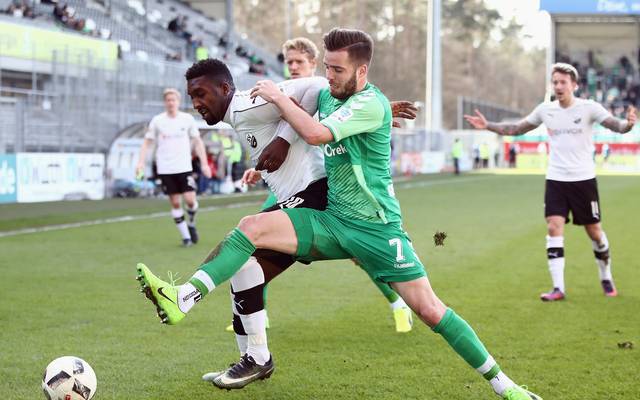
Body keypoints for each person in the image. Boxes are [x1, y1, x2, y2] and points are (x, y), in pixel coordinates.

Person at [136, 29, 541, 400]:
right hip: (331, 218)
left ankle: (505, 386)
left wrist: (278, 96)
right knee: (250, 235)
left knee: (431, 310)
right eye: (326, 66)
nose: (327, 74)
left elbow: (313, 131)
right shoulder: (330, 92)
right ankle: (191, 304)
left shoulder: (369, 103)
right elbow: (309, 100)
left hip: (376, 228)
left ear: (361, 70)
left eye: (337, 68)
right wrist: (280, 133)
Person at [231, 36, 415, 335]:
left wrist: (383, 110)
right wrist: (257, 168)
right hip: (289, 182)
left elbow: (345, 114)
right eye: (288, 61)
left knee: (359, 254)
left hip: (321, 183)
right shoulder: (289, 91)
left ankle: (397, 301)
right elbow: (278, 136)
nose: (292, 67)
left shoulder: (322, 89)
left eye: (299, 62)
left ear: (313, 65)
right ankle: (253, 314)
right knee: (257, 241)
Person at [465, 62, 636, 301]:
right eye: (555, 82)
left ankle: (606, 275)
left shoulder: (589, 108)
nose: (558, 86)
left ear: (574, 85)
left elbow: (616, 126)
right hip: (555, 179)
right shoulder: (546, 110)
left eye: (563, 82)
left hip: (583, 180)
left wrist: (628, 124)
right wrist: (488, 125)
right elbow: (516, 128)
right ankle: (558, 288)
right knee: (554, 226)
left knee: (594, 232)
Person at [136, 88, 211, 246]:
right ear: (165, 102)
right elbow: (147, 142)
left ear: (178, 102)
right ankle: (186, 238)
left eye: (173, 100)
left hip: (184, 167)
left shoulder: (187, 119)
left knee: (190, 200)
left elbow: (197, 141)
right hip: (165, 168)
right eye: (168, 100)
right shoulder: (158, 121)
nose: (171, 102)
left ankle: (191, 223)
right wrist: (140, 162)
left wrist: (204, 164)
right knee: (176, 202)